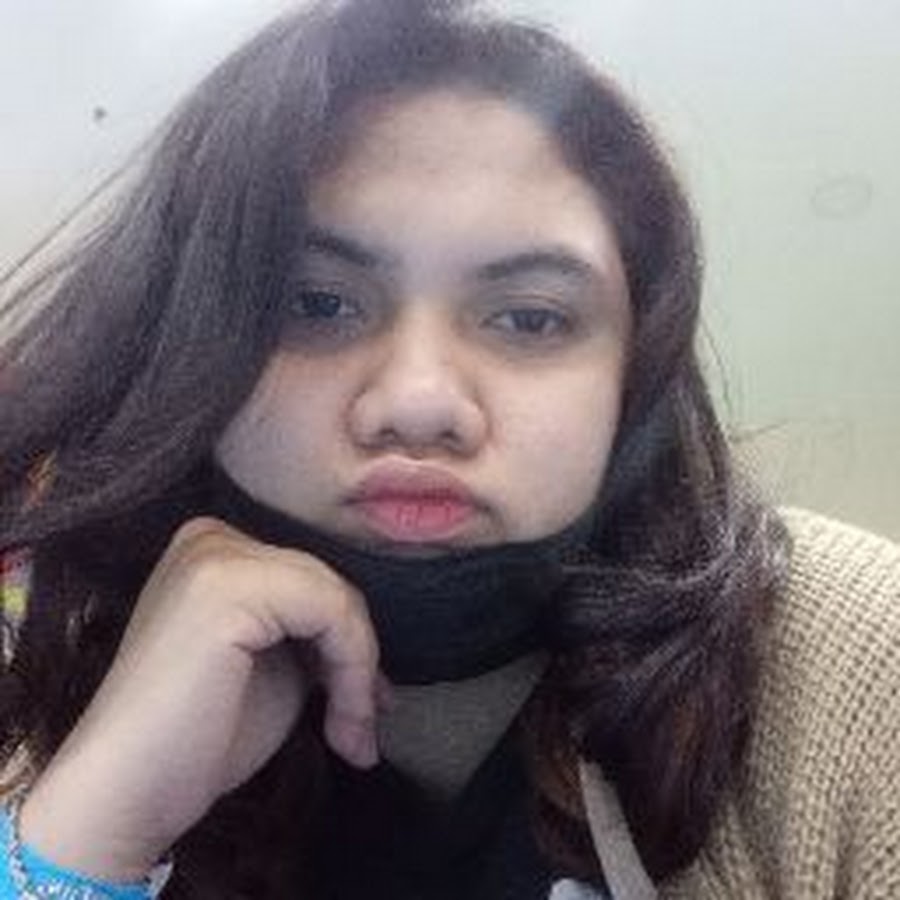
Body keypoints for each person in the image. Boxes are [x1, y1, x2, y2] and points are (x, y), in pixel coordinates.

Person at [0, 0, 897, 897]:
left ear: (636, 372)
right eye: (316, 304)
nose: (419, 404)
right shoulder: (74, 693)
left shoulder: (856, 660)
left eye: (530, 318)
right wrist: (77, 848)